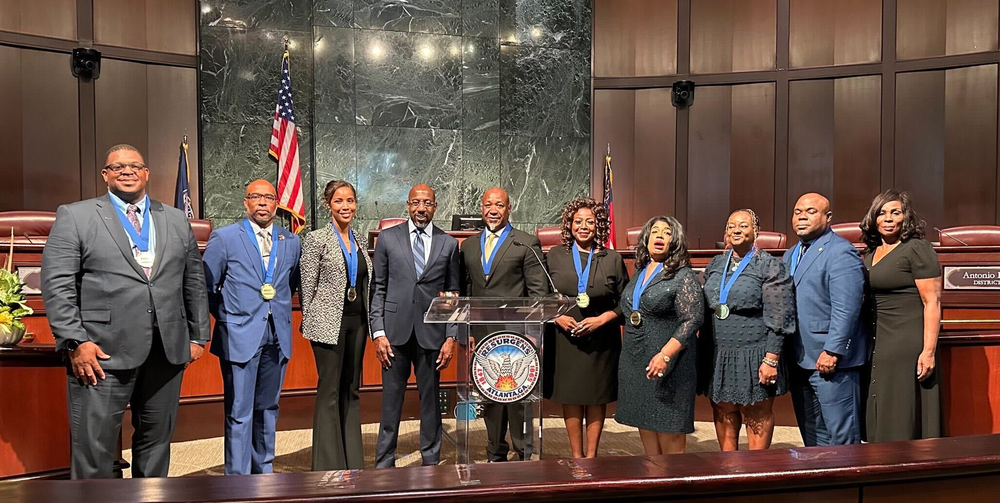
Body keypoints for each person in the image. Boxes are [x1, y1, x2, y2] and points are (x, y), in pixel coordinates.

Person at [41, 144, 210, 479]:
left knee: (157, 443)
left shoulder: (175, 218)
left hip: (167, 350)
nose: (127, 172)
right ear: (105, 175)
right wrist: (75, 342)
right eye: (117, 167)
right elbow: (57, 285)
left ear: (146, 173)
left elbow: (193, 280)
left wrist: (198, 335)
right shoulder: (76, 216)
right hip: (101, 353)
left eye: (134, 166)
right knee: (94, 450)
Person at [202, 179, 302, 475]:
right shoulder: (225, 238)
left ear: (276, 204)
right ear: (245, 203)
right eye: (255, 197)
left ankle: (264, 473)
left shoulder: (291, 241)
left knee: (268, 409)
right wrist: (229, 317)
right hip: (238, 336)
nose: (262, 202)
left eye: (268, 197)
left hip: (277, 336)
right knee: (239, 412)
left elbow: (290, 284)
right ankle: (237, 480)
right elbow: (207, 288)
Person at [370, 184, 461, 467]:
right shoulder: (387, 239)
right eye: (416, 203)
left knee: (431, 403)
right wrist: (378, 332)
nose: (421, 208)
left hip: (432, 334)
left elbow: (453, 294)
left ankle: (431, 460)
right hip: (393, 333)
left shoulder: (448, 244)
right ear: (408, 205)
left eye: (427, 203)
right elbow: (378, 289)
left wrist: (451, 337)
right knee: (391, 402)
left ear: (435, 207)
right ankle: (384, 463)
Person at [460, 187, 549, 462]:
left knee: (518, 397)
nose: (493, 210)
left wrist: (533, 333)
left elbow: (538, 293)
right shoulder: (469, 245)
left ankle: (524, 453)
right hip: (484, 335)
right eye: (488, 205)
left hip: (517, 335)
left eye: (499, 205)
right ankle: (495, 451)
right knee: (490, 396)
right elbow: (467, 292)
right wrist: (470, 331)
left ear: (509, 208)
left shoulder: (525, 242)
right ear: (481, 208)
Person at [702, 209, 796, 451]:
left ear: (756, 232)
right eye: (731, 225)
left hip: (755, 352)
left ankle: (756, 474)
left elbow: (780, 315)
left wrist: (771, 359)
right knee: (723, 409)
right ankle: (728, 473)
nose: (736, 229)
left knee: (756, 412)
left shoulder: (770, 266)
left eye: (743, 226)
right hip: (719, 353)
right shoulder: (716, 263)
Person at [543, 197, 628, 458]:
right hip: (564, 337)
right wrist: (557, 317)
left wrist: (602, 319)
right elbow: (541, 294)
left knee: (595, 396)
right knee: (571, 396)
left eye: (590, 222)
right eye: (577, 221)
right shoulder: (555, 255)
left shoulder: (612, 257)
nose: (583, 226)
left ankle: (592, 456)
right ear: (569, 225)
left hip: (601, 339)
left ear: (598, 226)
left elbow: (628, 301)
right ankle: (576, 456)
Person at [299, 180, 374, 470]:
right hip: (327, 325)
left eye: (350, 201)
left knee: (352, 390)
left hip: (357, 323)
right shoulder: (316, 239)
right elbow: (307, 286)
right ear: (328, 204)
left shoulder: (360, 241)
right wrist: (313, 320)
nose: (346, 206)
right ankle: (328, 465)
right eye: (339, 201)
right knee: (329, 391)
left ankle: (353, 460)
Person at [782, 193, 867, 446]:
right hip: (799, 358)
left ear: (828, 217)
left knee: (840, 437)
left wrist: (833, 350)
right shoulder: (790, 254)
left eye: (810, 211)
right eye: (798, 212)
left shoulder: (841, 252)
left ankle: (848, 486)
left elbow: (847, 308)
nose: (802, 216)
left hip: (831, 361)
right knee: (812, 435)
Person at [860, 189, 942, 441]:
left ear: (906, 217)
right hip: (877, 338)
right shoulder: (870, 253)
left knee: (898, 407)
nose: (888, 218)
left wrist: (928, 351)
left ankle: (902, 465)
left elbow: (933, 302)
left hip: (905, 340)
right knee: (877, 401)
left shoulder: (917, 248)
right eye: (882, 213)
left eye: (895, 212)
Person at [617, 216, 703, 455]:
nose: (660, 236)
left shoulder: (682, 275)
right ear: (646, 239)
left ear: (674, 241)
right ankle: (654, 479)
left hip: (669, 362)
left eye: (667, 233)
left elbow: (692, 319)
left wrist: (665, 355)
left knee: (669, 426)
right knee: (646, 422)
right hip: (637, 358)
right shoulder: (641, 270)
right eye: (655, 231)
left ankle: (673, 486)